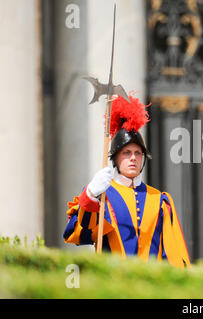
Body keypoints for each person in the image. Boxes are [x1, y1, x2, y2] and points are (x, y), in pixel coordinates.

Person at [63, 94, 191, 268]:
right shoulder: (102, 196)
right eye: (126, 153)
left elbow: (173, 254)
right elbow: (77, 234)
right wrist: (90, 194)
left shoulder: (160, 199)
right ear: (116, 158)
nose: (133, 158)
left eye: (138, 153)